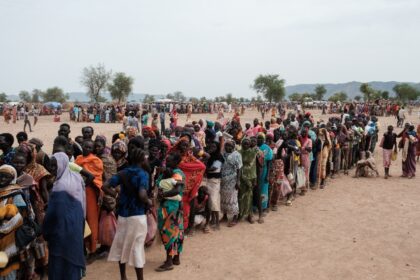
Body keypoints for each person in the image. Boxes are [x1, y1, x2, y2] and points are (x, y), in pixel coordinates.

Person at [103, 148, 152, 280]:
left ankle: (123, 276)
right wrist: (149, 201)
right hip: (137, 215)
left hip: (123, 215)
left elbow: (105, 186)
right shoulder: (143, 174)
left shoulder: (123, 173)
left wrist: (116, 195)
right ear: (142, 160)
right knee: (137, 247)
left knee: (121, 244)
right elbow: (142, 194)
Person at [43, 152, 86, 280]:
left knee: (59, 265)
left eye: (54, 166)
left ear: (62, 165)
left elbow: (54, 215)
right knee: (72, 262)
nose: (52, 169)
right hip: (77, 226)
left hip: (61, 231)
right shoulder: (77, 177)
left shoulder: (59, 187)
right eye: (50, 166)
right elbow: (82, 203)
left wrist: (45, 231)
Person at [0, 165, 34, 280]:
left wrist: (3, 230)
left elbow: (19, 218)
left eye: (6, 177)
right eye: (1, 176)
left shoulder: (15, 193)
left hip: (10, 236)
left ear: (12, 178)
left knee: (9, 267)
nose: (2, 179)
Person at [155, 152, 185, 272]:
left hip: (169, 207)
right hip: (176, 206)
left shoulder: (175, 173)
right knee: (177, 231)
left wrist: (163, 195)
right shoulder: (177, 173)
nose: (167, 163)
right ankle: (176, 258)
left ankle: (168, 261)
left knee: (168, 232)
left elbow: (177, 190)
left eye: (169, 161)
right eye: (166, 161)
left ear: (176, 163)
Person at [75, 140, 104, 258]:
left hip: (90, 192)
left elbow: (96, 177)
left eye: (89, 147)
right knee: (81, 220)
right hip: (78, 192)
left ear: (93, 149)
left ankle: (92, 249)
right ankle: (82, 248)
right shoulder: (78, 159)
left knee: (91, 220)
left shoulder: (96, 161)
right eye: (85, 146)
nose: (87, 148)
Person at [220, 140, 242, 227]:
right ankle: (225, 215)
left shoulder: (237, 155)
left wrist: (238, 181)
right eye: (226, 146)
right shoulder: (223, 153)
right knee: (224, 197)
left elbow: (239, 168)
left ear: (233, 147)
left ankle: (235, 217)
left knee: (233, 198)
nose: (227, 147)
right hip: (223, 180)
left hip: (232, 180)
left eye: (230, 146)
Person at [239, 138, 261, 224]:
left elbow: (257, 166)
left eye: (247, 144)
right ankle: (240, 214)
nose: (245, 145)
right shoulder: (238, 152)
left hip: (251, 177)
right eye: (244, 144)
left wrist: (255, 179)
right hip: (241, 177)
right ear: (241, 144)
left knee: (249, 197)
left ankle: (250, 215)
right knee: (240, 197)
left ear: (250, 144)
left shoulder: (254, 152)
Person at [204, 141, 224, 230]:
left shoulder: (219, 157)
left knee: (214, 200)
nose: (212, 149)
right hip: (209, 180)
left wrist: (204, 169)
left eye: (214, 147)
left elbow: (214, 168)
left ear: (217, 148)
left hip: (215, 181)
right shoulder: (210, 156)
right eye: (211, 147)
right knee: (210, 200)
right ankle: (213, 219)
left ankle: (217, 222)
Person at [256, 133, 273, 211]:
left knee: (264, 188)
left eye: (261, 138)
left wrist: (267, 175)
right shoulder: (254, 147)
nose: (259, 140)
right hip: (255, 171)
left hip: (264, 170)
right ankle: (255, 206)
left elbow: (269, 162)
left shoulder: (267, 148)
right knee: (256, 188)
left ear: (264, 139)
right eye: (258, 138)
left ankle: (263, 206)